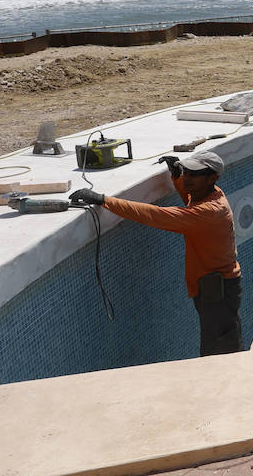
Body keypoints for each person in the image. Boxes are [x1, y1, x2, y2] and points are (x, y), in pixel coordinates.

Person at [71, 150, 242, 355]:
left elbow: (154, 215)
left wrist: (103, 200)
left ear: (213, 177)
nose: (187, 178)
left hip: (219, 289)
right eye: (185, 171)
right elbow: (191, 198)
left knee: (219, 350)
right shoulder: (212, 194)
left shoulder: (210, 212)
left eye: (193, 175)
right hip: (217, 285)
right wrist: (177, 177)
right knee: (221, 342)